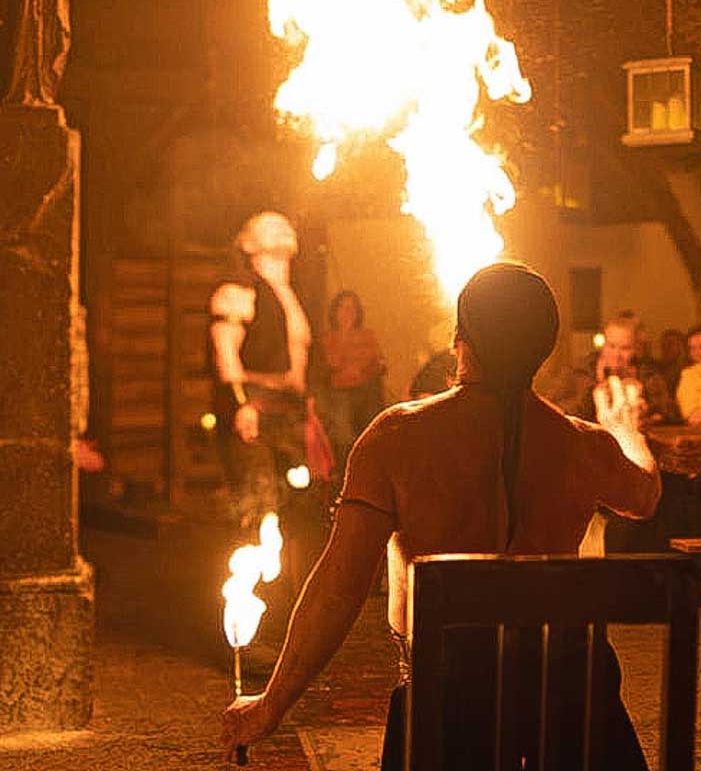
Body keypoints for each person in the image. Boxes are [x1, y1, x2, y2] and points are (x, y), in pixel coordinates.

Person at [221, 262, 661, 769]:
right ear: (545, 348)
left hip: (449, 706)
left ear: (459, 337)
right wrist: (627, 432)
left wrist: (270, 705)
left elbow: (338, 588)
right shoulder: (587, 445)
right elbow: (644, 497)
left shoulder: (397, 438)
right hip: (574, 703)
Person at [209, 212, 313, 536]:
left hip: (289, 413)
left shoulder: (287, 298)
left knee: (296, 502)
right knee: (258, 503)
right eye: (273, 252)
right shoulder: (236, 293)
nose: (281, 258)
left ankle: (289, 583)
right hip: (254, 411)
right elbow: (226, 355)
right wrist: (242, 405)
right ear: (253, 250)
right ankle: (252, 581)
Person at [322, 289, 386, 472]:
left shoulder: (367, 335)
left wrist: (364, 370)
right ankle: (346, 471)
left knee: (369, 433)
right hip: (340, 394)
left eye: (351, 308)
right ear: (335, 311)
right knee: (344, 435)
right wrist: (343, 335)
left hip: (366, 393)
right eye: (343, 308)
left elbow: (380, 364)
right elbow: (331, 362)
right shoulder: (328, 338)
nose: (347, 313)